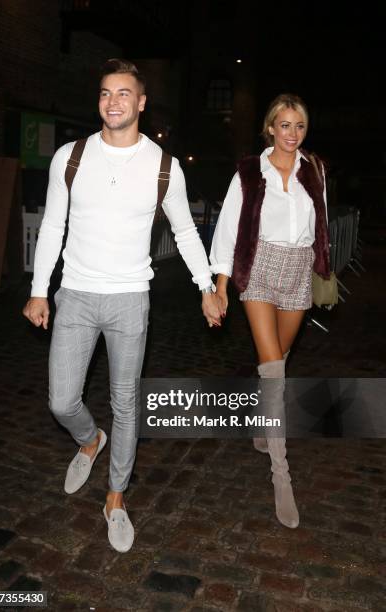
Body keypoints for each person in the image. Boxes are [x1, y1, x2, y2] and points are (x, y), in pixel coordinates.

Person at [23, 58, 221, 552]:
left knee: (126, 403)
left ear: (141, 102)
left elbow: (184, 230)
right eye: (106, 92)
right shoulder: (70, 157)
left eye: (123, 93)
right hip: (76, 295)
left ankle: (115, 496)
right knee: (61, 400)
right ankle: (90, 440)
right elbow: (52, 226)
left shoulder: (163, 167)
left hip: (131, 298)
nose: (113, 101)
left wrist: (206, 285)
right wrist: (39, 289)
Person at [210, 93, 330, 529]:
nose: (292, 134)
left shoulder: (313, 170)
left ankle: (264, 427)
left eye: (299, 126)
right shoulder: (249, 170)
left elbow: (321, 220)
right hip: (259, 268)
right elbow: (228, 226)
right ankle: (282, 475)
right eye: (284, 125)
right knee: (274, 370)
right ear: (270, 128)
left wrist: (322, 268)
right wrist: (221, 286)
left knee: (278, 360)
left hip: (298, 270)